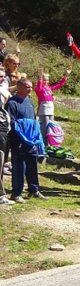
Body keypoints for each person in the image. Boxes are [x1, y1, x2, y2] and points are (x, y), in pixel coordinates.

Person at [6, 78, 46, 202]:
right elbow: (11, 122)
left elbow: (33, 119)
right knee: (19, 167)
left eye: (30, 87)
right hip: (18, 140)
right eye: (27, 87)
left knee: (32, 165)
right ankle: (16, 193)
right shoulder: (12, 103)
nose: (30, 89)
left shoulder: (29, 101)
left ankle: (34, 190)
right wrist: (22, 135)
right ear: (19, 87)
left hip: (32, 140)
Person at [34, 67, 71, 141]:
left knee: (51, 127)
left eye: (47, 80)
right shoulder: (39, 89)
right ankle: (43, 143)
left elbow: (59, 84)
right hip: (44, 110)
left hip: (51, 110)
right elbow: (38, 87)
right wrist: (40, 78)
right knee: (44, 127)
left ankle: (50, 142)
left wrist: (66, 75)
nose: (46, 82)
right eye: (44, 80)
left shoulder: (49, 88)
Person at [0, 69, 14, 204]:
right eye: (0, 76)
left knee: (1, 162)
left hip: (3, 132)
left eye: (3, 77)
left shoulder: (3, 90)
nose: (2, 79)